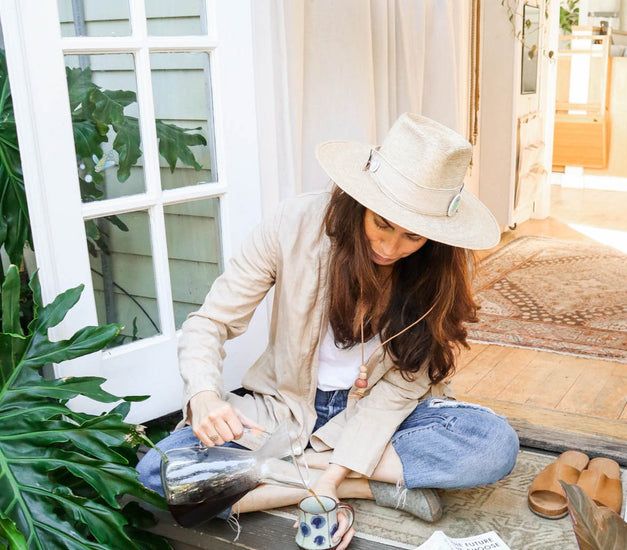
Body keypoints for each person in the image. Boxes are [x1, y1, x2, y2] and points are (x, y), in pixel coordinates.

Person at [137, 112, 519, 549]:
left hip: (380, 415)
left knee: (493, 445)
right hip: (284, 409)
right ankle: (368, 485)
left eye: (413, 237)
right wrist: (203, 394)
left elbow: (398, 391)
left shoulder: (436, 273)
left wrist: (333, 476)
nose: (390, 249)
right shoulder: (293, 224)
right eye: (383, 224)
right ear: (362, 200)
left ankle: (307, 474)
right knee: (159, 470)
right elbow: (211, 321)